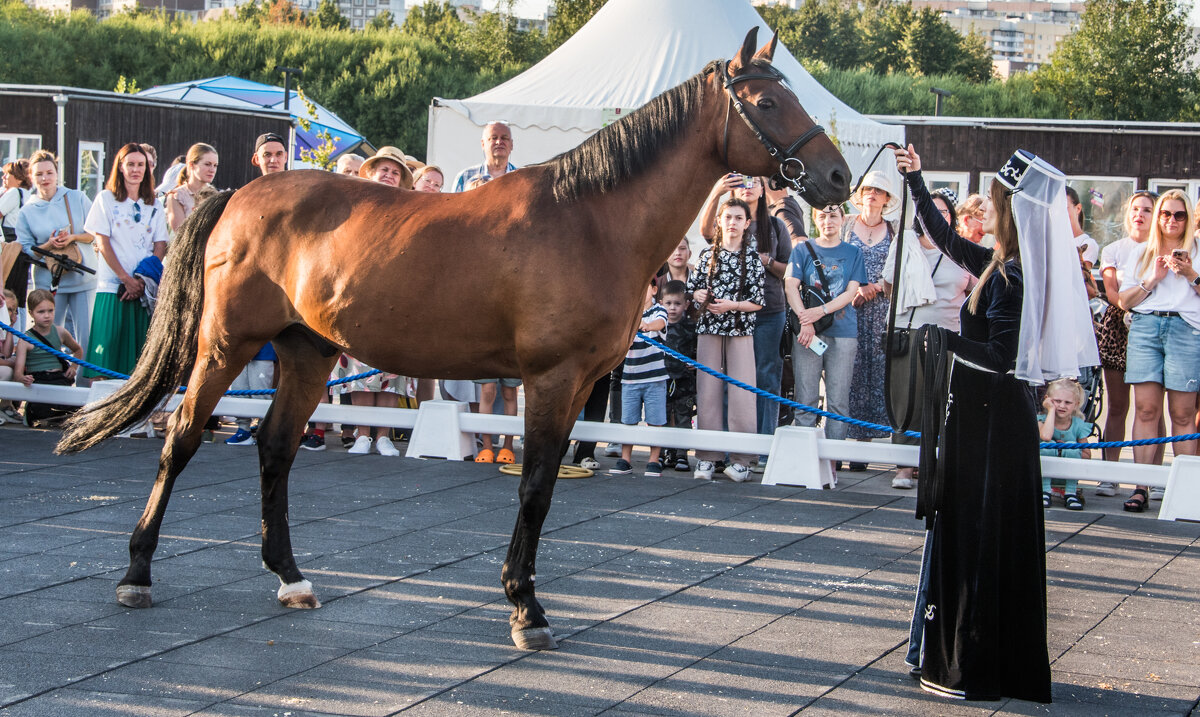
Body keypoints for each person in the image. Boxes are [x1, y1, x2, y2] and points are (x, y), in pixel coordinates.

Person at [894, 144, 1095, 703]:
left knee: (978, 534)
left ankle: (974, 659)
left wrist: (940, 339)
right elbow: (952, 239)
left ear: (1010, 210)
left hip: (990, 422)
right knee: (974, 533)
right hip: (985, 418)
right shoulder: (1003, 265)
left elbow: (1004, 355)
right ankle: (957, 650)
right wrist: (915, 181)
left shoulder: (1012, 276)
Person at [881, 189, 972, 489]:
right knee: (907, 400)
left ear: (951, 217)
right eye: (931, 210)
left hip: (950, 336)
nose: (937, 216)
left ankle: (940, 466)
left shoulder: (960, 248)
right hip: (910, 332)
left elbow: (975, 291)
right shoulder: (904, 243)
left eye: (943, 211)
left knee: (945, 401)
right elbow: (887, 287)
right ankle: (905, 468)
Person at [1116, 189, 1200, 512]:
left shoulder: (1196, 249)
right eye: (1166, 214)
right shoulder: (1141, 252)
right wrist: (1153, 279)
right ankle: (1141, 486)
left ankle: (1186, 489)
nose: (1172, 220)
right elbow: (1125, 301)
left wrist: (1190, 274)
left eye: (1179, 215)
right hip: (1147, 327)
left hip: (1186, 328)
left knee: (1182, 413)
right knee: (1146, 410)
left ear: (1188, 218)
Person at [700, 174, 792, 454]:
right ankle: (729, 447)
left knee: (765, 376)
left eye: (755, 183)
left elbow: (789, 269)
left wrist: (766, 261)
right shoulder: (727, 220)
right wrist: (716, 191)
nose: (748, 187)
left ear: (764, 191)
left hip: (767, 312)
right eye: (743, 182)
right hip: (728, 316)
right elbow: (706, 233)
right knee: (731, 378)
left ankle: (764, 446)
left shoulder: (775, 226)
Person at [687, 197, 765, 482]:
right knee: (707, 392)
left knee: (743, 394)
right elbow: (691, 291)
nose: (732, 222)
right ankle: (708, 457)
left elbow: (757, 302)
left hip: (740, 330)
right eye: (727, 217)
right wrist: (697, 296)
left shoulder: (753, 258)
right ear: (720, 221)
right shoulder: (707, 255)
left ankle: (743, 459)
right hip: (708, 328)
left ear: (746, 224)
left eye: (737, 218)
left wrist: (732, 305)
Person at [785, 203, 865, 478]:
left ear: (843, 219)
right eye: (822, 215)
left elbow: (851, 292)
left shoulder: (853, 252)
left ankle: (832, 461)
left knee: (838, 399)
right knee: (805, 396)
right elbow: (790, 285)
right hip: (808, 333)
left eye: (833, 215)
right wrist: (805, 320)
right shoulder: (802, 250)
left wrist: (819, 312)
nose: (828, 220)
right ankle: (804, 460)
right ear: (815, 220)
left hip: (843, 332)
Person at [82, 142, 167, 382]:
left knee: (137, 360)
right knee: (105, 353)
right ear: (120, 167)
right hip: (112, 287)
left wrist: (141, 278)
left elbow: (160, 244)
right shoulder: (106, 199)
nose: (136, 170)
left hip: (142, 290)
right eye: (130, 164)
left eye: (141, 165)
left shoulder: (154, 204)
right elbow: (103, 242)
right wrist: (125, 279)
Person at [1096, 191, 1163, 495]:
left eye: (1147, 210)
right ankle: (1110, 474)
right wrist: (1128, 307)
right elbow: (1111, 290)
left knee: (1151, 407)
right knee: (1117, 404)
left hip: (1154, 325)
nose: (1140, 215)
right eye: (1135, 209)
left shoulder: (1163, 249)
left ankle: (1152, 479)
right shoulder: (1113, 249)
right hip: (1118, 324)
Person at [14, 150, 97, 365]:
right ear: (31, 177)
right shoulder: (27, 211)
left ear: (57, 174)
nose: (45, 178)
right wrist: (48, 245)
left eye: (49, 173)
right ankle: (50, 380)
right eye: (39, 174)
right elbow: (24, 249)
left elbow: (95, 233)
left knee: (86, 336)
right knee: (48, 335)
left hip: (81, 276)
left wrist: (72, 237)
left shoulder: (76, 197)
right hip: (49, 281)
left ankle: (82, 385)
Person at [844, 171, 899, 461]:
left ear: (887, 198)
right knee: (848, 374)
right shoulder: (845, 226)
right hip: (848, 309)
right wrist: (852, 291)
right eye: (868, 189)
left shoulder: (894, 231)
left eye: (879, 190)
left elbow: (899, 271)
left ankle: (871, 443)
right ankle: (850, 443)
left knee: (879, 373)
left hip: (881, 310)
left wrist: (876, 287)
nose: (872, 194)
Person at [609, 276, 669, 476]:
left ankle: (654, 459)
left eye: (644, 287)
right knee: (628, 420)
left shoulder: (658, 310)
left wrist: (646, 326)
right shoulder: (628, 315)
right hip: (631, 377)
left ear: (654, 290)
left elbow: (660, 323)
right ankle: (626, 458)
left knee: (656, 420)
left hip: (654, 378)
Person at [13, 289, 83, 425]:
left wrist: (74, 367)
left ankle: (56, 418)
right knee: (43, 409)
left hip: (59, 379)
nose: (47, 316)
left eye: (50, 311)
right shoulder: (26, 339)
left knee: (77, 408)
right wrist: (23, 378)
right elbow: (17, 373)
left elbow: (78, 350)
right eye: (41, 312)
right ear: (31, 313)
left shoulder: (60, 332)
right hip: (39, 380)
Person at [1038, 378, 1094, 510]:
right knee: (1048, 445)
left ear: (1076, 404)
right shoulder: (1041, 420)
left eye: (1068, 402)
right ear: (1048, 400)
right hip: (1045, 474)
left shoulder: (1078, 425)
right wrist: (1050, 411)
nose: (1062, 406)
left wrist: (1066, 450)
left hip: (1068, 475)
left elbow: (1087, 455)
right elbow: (1046, 436)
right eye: (1057, 401)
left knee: (1072, 446)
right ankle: (1045, 491)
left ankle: (1071, 492)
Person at [660, 279, 697, 472]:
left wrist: (695, 363)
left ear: (686, 304)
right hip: (662, 381)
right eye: (668, 303)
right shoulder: (658, 328)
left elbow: (698, 352)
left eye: (677, 303)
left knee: (684, 418)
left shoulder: (691, 327)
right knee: (663, 417)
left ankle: (682, 454)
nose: (673, 308)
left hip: (684, 382)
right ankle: (667, 452)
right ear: (661, 304)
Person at [164, 143, 220, 235]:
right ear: (191, 165)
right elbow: (181, 233)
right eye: (207, 164)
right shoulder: (176, 196)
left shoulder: (217, 196)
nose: (212, 170)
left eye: (215, 165)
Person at [452, 122, 517, 192]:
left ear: (511, 144)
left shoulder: (522, 178)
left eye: (504, 138)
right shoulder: (465, 177)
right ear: (483, 144)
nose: (499, 142)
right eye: (494, 138)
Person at [1065, 187, 1100, 270]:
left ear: (1078, 208)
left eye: (1064, 208)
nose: (1060, 213)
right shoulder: (1049, 241)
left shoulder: (1087, 243)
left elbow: (1080, 278)